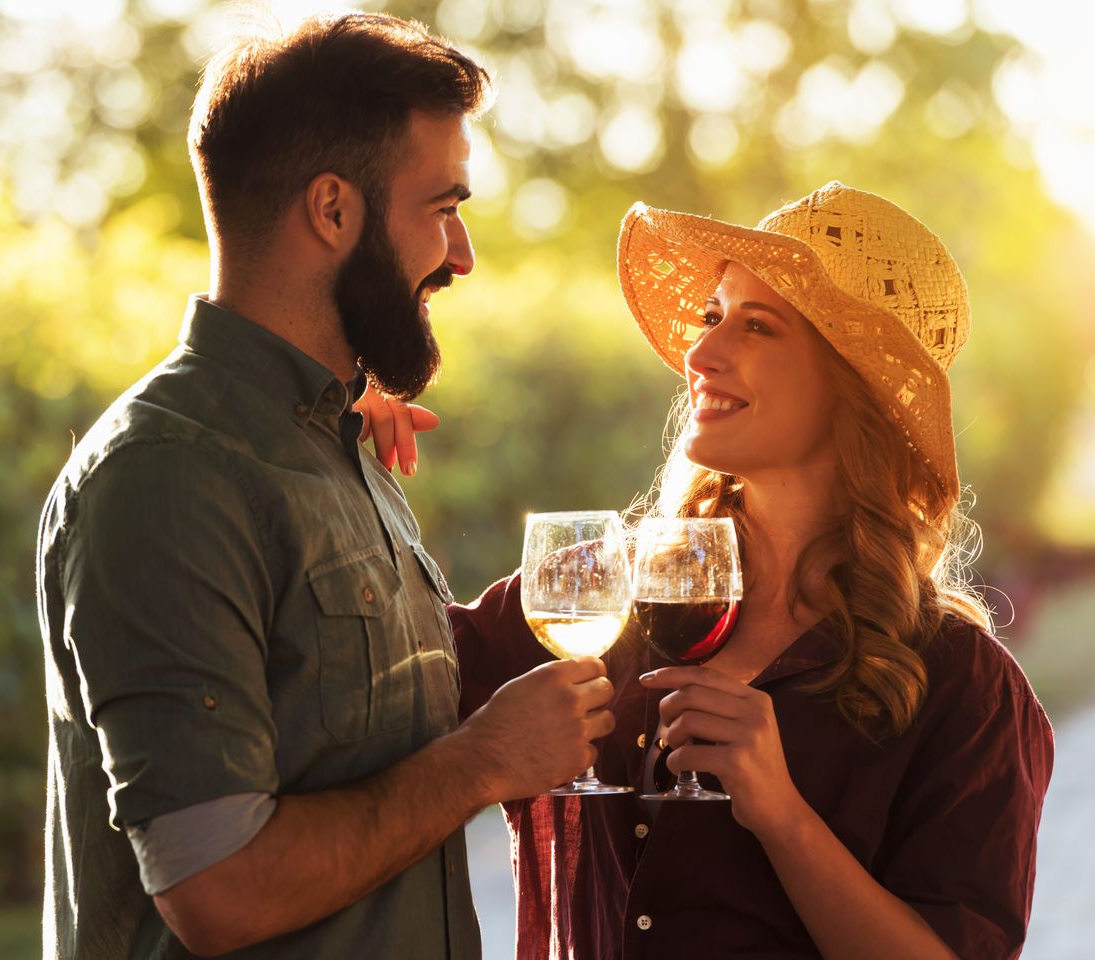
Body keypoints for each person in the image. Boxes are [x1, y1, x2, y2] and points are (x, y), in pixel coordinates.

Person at [35, 13, 615, 960]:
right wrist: (485, 761)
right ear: (334, 210)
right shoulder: (167, 476)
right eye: (442, 208)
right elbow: (217, 890)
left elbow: (362, 730)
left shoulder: (341, 446)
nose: (462, 256)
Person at [445, 182, 1055, 958]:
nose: (700, 354)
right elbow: (392, 680)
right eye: (712, 316)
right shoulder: (600, 594)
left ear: (852, 386)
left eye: (757, 326)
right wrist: (342, 439)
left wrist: (782, 815)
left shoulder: (965, 688)